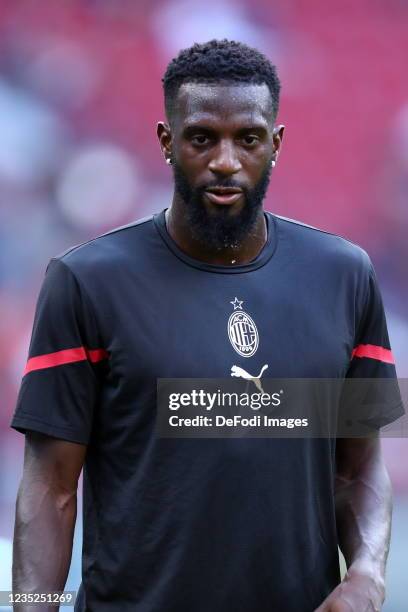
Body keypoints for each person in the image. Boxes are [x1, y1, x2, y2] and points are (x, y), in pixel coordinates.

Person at [11, 39, 404, 612]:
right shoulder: (86, 282)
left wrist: (366, 574)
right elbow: (50, 489)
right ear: (167, 142)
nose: (225, 160)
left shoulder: (344, 276)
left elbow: (359, 465)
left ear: (276, 144)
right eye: (202, 137)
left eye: (248, 138)